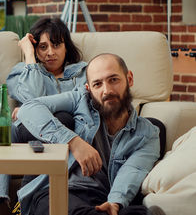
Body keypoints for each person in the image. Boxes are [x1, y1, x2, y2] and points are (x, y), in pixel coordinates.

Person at [15, 53, 161, 215]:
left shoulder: (147, 134)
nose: (107, 91)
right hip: (58, 191)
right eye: (97, 84)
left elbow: (132, 171)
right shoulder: (80, 100)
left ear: (129, 79)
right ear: (88, 89)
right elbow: (29, 108)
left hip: (103, 199)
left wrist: (115, 203)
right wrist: (74, 142)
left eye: (113, 80)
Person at [6, 17, 87, 140]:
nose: (50, 52)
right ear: (35, 49)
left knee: (65, 118)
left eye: (56, 45)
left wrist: (28, 110)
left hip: (74, 133)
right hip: (31, 134)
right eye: (43, 47)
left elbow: (82, 106)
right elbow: (33, 96)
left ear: (66, 47)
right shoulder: (20, 72)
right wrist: (29, 54)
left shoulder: (83, 72)